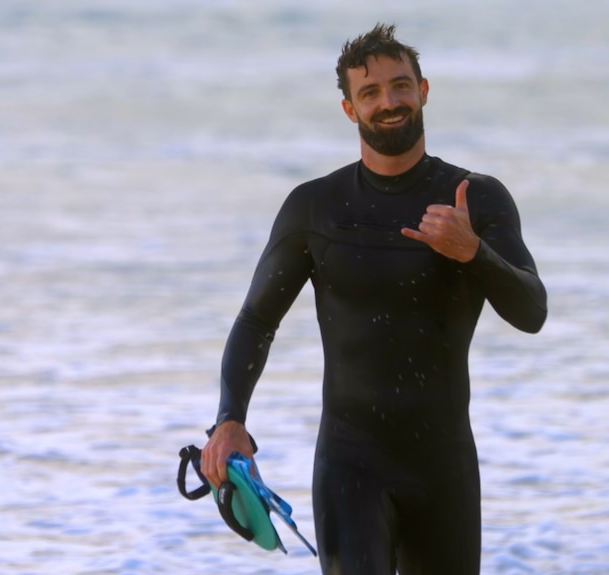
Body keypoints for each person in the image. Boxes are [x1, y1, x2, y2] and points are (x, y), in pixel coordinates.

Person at [199, 23, 547, 575]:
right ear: (348, 109)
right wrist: (229, 419)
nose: (390, 102)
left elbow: (532, 312)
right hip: (349, 463)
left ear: (424, 90)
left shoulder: (475, 199)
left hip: (444, 466)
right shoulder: (315, 208)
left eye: (401, 86)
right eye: (371, 92)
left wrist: (471, 250)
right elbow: (256, 318)